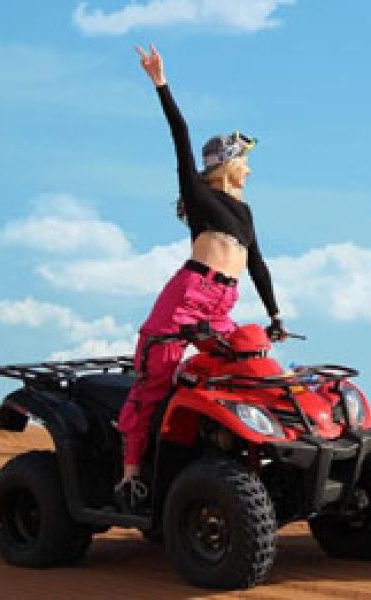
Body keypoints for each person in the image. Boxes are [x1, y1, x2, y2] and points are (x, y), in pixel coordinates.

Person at [115, 44, 287, 509]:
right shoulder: (197, 194)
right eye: (244, 158)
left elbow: (257, 263)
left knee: (249, 369)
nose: (250, 166)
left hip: (222, 303)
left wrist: (275, 314)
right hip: (187, 297)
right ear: (227, 164)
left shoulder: (245, 210)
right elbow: (181, 134)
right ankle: (131, 475)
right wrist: (160, 83)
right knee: (156, 378)